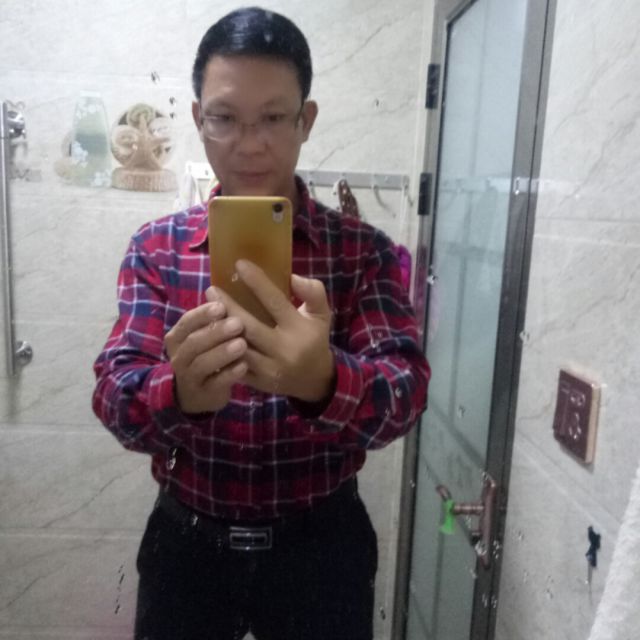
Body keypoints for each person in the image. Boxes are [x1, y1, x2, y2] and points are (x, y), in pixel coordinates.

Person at [92, 7, 430, 640]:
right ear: (199, 119)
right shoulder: (156, 249)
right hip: (187, 549)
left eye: (274, 117)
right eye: (225, 118)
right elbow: (113, 394)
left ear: (306, 120)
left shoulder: (364, 252)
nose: (249, 144)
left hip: (322, 550)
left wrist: (326, 382)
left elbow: (408, 395)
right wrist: (177, 393)